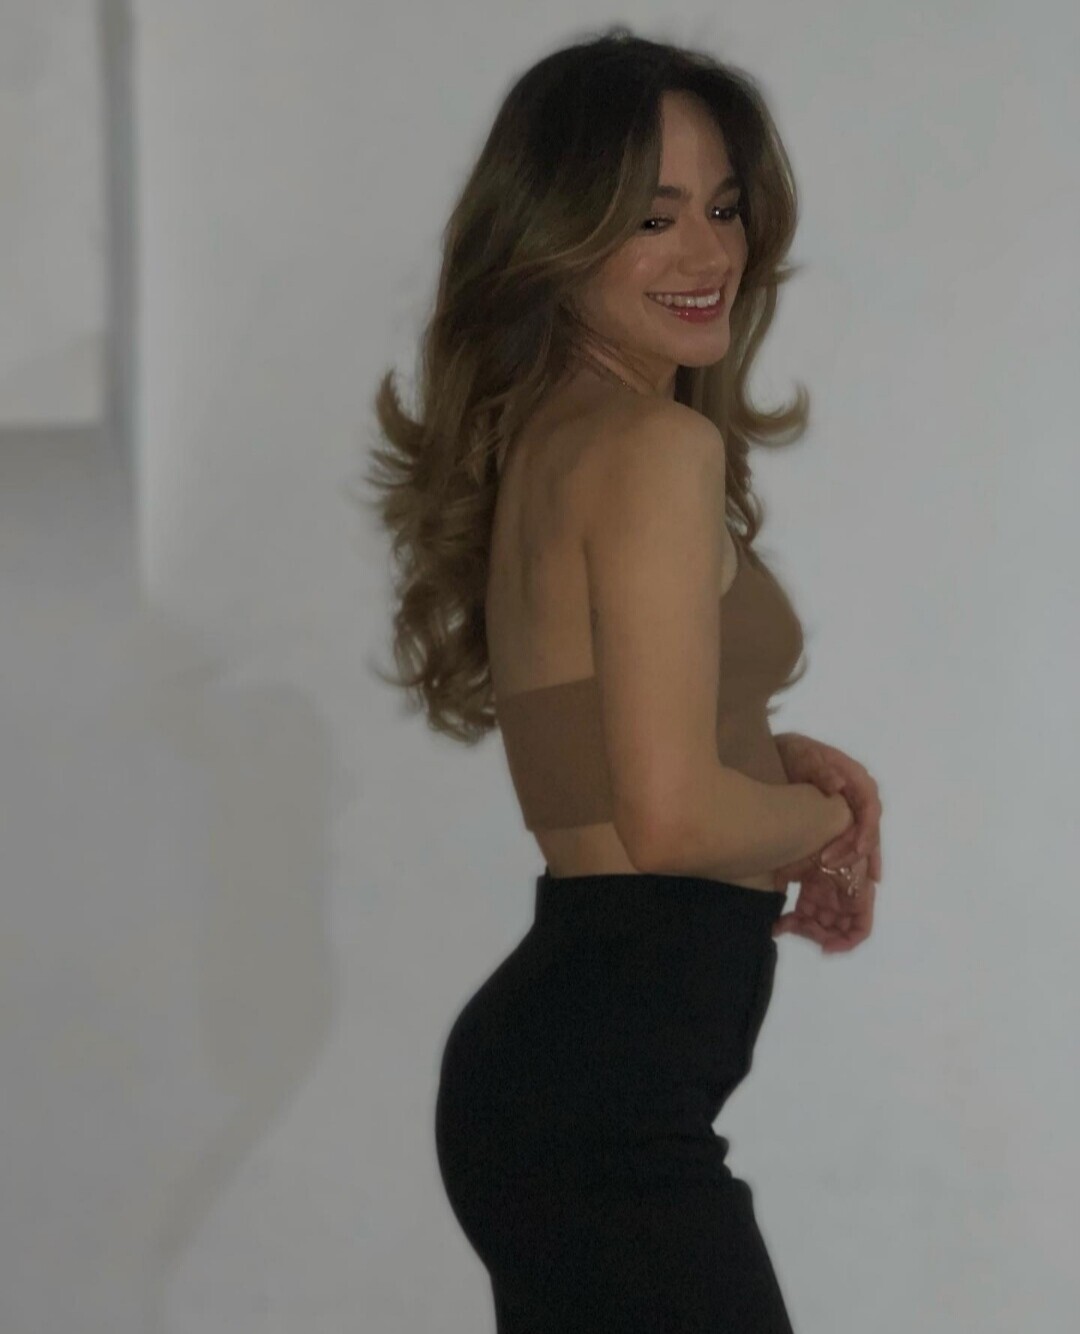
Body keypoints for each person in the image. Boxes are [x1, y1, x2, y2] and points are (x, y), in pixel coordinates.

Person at [364, 24, 872, 1332]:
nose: (708, 252)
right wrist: (828, 819)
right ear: (553, 235)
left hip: (565, 1080)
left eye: (724, 207)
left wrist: (774, 765)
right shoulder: (650, 449)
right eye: (652, 217)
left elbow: (604, 754)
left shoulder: (558, 434)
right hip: (599, 1103)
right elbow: (670, 819)